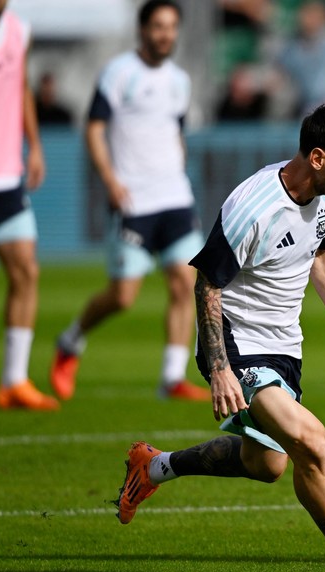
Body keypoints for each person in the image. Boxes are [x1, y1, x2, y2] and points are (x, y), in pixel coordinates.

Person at [114, 104, 325, 572]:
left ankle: (153, 467)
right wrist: (221, 367)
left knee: (266, 463)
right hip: (236, 342)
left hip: (284, 345)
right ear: (317, 157)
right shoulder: (252, 207)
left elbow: (320, 250)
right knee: (311, 440)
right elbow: (207, 284)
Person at [50, 0, 208, 402]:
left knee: (184, 283)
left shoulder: (179, 80)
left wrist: (178, 168)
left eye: (171, 27)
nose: (165, 34)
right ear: (142, 30)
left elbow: (175, 131)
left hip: (174, 196)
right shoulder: (119, 72)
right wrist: (110, 180)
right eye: (158, 26)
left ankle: (171, 378)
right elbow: (94, 128)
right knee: (123, 296)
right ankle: (70, 341)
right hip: (133, 199)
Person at [0, 0, 59, 411]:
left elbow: (20, 87)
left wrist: (35, 145)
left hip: (3, 177)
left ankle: (14, 382)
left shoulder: (17, 32)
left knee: (26, 270)